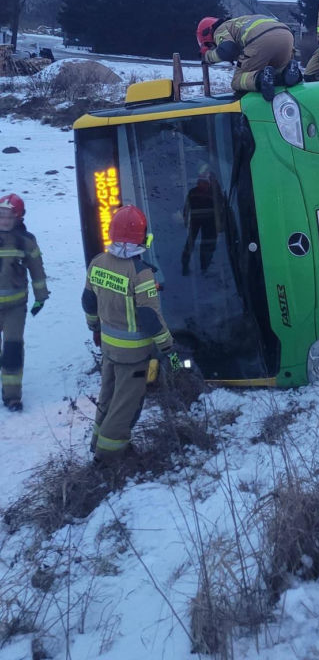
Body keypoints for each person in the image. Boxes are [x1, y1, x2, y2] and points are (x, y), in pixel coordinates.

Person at [82, 204, 179, 464]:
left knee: (108, 397)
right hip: (133, 355)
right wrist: (168, 346)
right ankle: (110, 457)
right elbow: (149, 317)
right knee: (126, 405)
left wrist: (95, 329)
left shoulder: (98, 262)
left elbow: (89, 302)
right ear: (142, 236)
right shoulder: (141, 272)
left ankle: (96, 443)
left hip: (109, 349)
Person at [0, 193, 49, 411]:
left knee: (12, 349)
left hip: (15, 308)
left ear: (18, 217)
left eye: (8, 216)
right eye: (0, 215)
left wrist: (41, 298)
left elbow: (37, 271)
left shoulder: (26, 241)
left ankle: (12, 396)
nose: (3, 220)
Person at [196, 14, 301, 102]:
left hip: (261, 39)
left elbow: (227, 50)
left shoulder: (220, 29)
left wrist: (207, 57)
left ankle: (261, 78)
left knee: (237, 81)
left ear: (207, 33)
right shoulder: (239, 22)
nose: (213, 47)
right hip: (286, 35)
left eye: (210, 45)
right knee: (276, 72)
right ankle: (287, 73)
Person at [181, 165, 225, 275]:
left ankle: (203, 266)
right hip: (204, 221)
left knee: (203, 244)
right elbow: (187, 207)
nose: (202, 184)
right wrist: (186, 219)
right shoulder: (199, 192)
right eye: (201, 182)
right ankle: (194, 266)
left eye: (204, 182)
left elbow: (220, 205)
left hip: (206, 222)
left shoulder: (204, 192)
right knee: (198, 243)